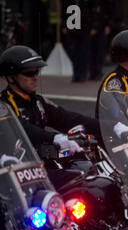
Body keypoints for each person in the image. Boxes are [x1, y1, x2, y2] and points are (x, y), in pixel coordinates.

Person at [0, 45, 108, 188]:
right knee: (79, 183)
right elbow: (20, 128)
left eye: (37, 72)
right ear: (11, 78)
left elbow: (68, 118)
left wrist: (109, 126)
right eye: (29, 73)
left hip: (43, 165)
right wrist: (54, 138)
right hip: (18, 173)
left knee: (91, 171)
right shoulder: (3, 105)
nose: (35, 77)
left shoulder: (37, 101)